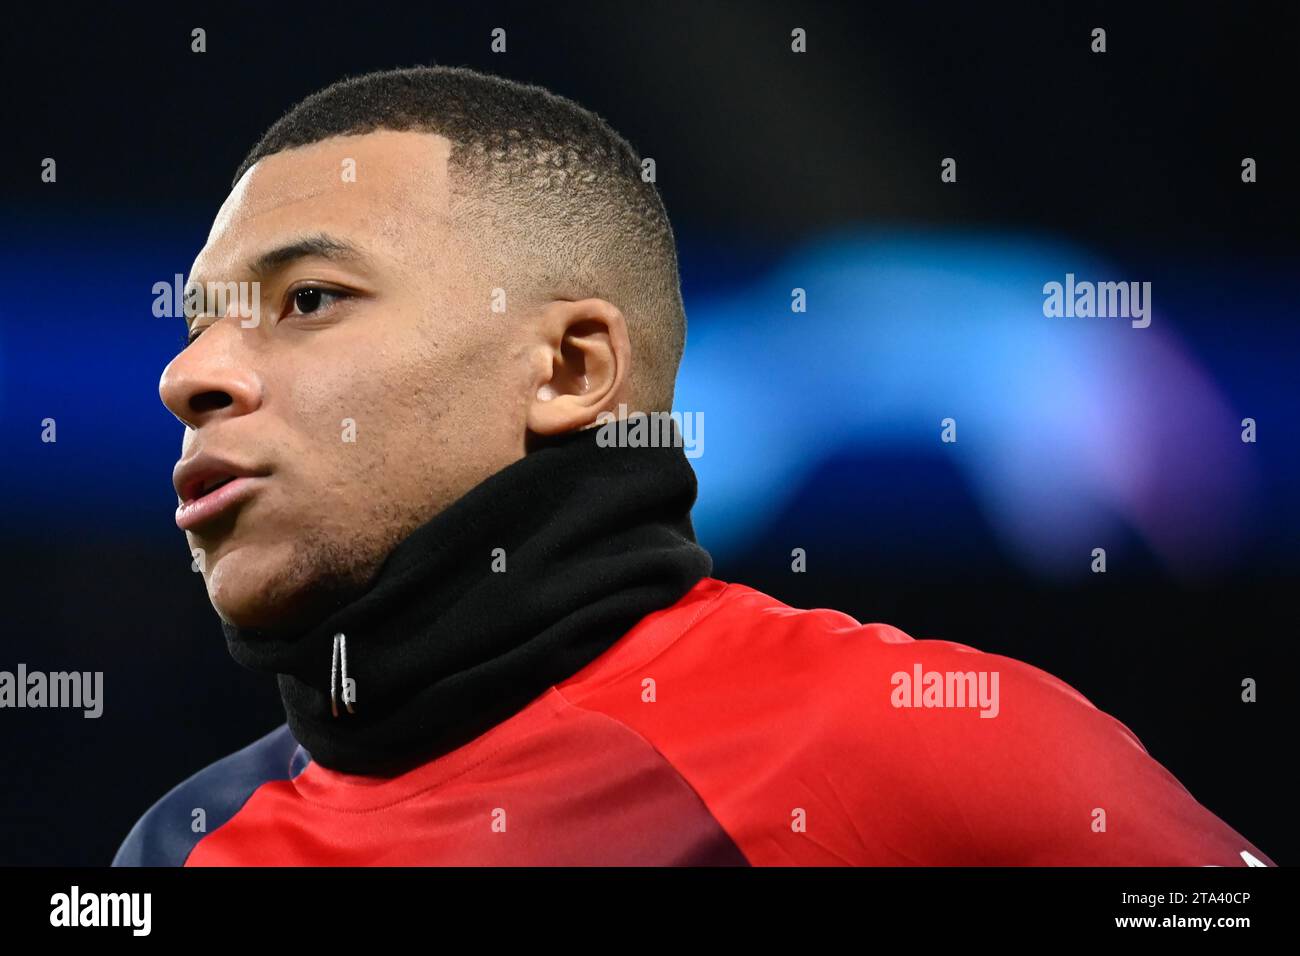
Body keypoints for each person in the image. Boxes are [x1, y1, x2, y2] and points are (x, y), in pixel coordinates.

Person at [113, 65, 1274, 866]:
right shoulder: (180, 843)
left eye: (307, 299)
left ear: (571, 367)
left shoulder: (924, 743)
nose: (192, 375)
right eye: (200, 322)